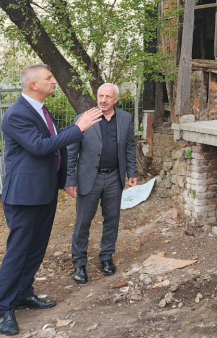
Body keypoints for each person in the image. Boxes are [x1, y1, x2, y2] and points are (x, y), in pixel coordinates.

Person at [0, 64, 103, 336]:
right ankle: (3, 308)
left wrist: (65, 177)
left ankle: (23, 294)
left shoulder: (40, 110)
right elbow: (40, 146)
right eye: (49, 78)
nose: (54, 81)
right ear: (33, 84)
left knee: (36, 248)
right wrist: (78, 129)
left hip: (44, 191)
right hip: (23, 195)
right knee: (18, 251)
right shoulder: (17, 114)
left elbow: (53, 141)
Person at [65, 83, 137, 285]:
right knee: (83, 222)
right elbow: (71, 152)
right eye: (100, 96)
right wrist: (70, 180)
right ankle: (79, 264)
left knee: (112, 219)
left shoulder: (125, 118)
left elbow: (130, 146)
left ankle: (106, 257)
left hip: (114, 177)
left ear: (116, 100)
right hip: (89, 179)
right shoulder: (83, 119)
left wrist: (132, 172)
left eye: (108, 96)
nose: (103, 100)